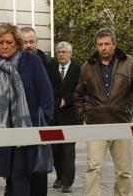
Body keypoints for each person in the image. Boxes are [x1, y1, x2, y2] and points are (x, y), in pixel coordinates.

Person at [0, 23, 53, 196]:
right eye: (0, 43)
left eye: (9, 42)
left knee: (20, 174)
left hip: (28, 129)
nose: (4, 46)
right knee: (12, 176)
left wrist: (45, 118)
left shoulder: (32, 61)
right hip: (4, 130)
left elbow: (46, 91)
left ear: (18, 44)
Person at [74, 28, 133, 196]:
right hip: (95, 124)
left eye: (107, 44)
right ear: (96, 46)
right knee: (93, 168)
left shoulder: (130, 63)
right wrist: (83, 114)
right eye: (100, 44)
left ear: (114, 44)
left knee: (124, 171)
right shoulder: (87, 66)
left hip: (121, 123)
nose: (103, 48)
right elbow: (79, 94)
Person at [20, 26, 60, 195]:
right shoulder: (13, 62)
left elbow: (54, 90)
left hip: (40, 122)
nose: (28, 45)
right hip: (18, 123)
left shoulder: (50, 64)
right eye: (24, 42)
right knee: (19, 170)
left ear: (37, 43)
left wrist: (46, 116)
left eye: (31, 41)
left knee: (39, 169)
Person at [51, 41, 80, 193]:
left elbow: (81, 90)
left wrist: (66, 100)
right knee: (56, 150)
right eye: (59, 52)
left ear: (70, 53)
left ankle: (68, 182)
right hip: (54, 115)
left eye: (64, 52)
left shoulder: (78, 70)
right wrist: (56, 102)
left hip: (70, 116)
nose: (61, 54)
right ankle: (60, 177)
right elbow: (48, 88)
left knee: (68, 151)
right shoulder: (51, 68)